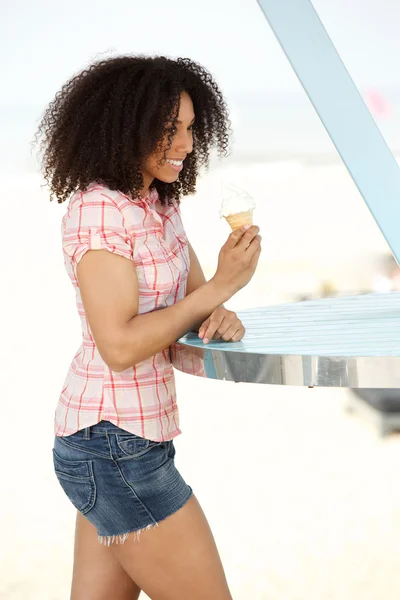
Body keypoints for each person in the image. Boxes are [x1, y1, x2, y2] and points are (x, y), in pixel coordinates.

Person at [36, 55, 261, 600]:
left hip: (133, 440)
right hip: (109, 442)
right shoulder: (99, 211)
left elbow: (193, 307)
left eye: (189, 128)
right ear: (124, 127)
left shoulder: (161, 204)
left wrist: (218, 310)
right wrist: (219, 290)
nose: (186, 144)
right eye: (169, 130)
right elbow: (118, 345)